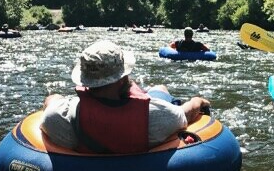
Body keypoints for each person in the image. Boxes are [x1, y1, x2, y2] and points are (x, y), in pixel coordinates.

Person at [41, 40, 211, 154]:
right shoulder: (158, 116)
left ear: (85, 81)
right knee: (160, 88)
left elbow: (50, 105)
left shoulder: (58, 117)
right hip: (149, 114)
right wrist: (198, 101)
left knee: (54, 97)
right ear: (123, 77)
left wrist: (51, 101)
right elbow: (185, 114)